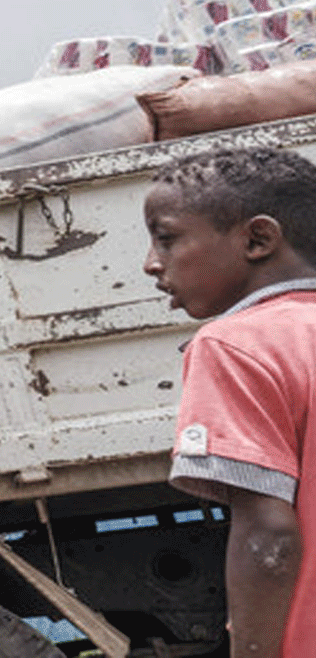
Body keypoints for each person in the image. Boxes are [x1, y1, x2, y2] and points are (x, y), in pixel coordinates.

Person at [143, 147, 316, 658]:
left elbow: (270, 537)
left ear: (258, 239)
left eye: (167, 238)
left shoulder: (233, 346)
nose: (151, 263)